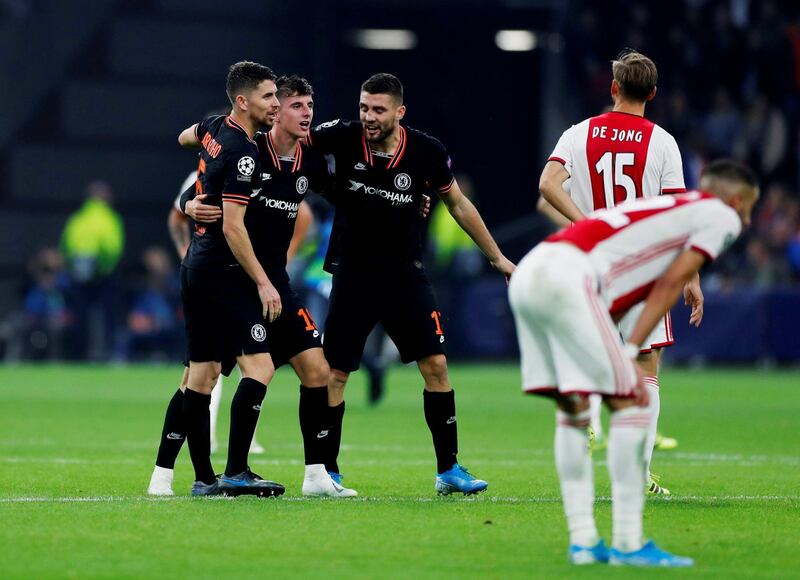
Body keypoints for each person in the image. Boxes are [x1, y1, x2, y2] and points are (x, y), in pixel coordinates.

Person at [509, 160, 758, 566]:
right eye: (747, 207)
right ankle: (628, 541)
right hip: (571, 279)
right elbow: (670, 282)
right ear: (734, 199)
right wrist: (633, 346)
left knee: (573, 411)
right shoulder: (719, 216)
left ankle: (585, 542)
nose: (746, 219)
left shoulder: (667, 211)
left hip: (533, 271)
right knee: (632, 402)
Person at [307, 73, 515, 494]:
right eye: (364, 107)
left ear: (399, 112)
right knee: (336, 373)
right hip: (353, 274)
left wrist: (497, 257)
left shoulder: (426, 151)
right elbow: (291, 151)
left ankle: (449, 470)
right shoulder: (340, 137)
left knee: (436, 366)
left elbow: (457, 203)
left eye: (378, 110)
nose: (368, 117)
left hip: (405, 275)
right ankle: (326, 472)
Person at [150, 74, 357, 498]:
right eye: (296, 106)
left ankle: (317, 476)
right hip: (236, 280)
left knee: (316, 368)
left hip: (271, 282)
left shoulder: (309, 159)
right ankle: (202, 472)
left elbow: (339, 197)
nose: (307, 116)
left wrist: (409, 199)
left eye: (309, 107)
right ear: (274, 110)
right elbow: (195, 193)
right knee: (203, 376)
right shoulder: (247, 150)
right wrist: (191, 205)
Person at [537, 50, 696, 494]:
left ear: (613, 88)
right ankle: (638, 477)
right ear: (653, 93)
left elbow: (547, 184)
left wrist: (583, 222)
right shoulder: (662, 141)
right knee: (646, 366)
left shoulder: (578, 133)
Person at [172, 61, 284, 497]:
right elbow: (234, 227)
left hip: (196, 266)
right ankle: (235, 470)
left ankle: (205, 479)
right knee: (260, 365)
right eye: (268, 96)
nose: (274, 104)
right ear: (244, 101)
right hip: (221, 272)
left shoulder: (214, 125)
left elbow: (186, 138)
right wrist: (263, 281)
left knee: (201, 377)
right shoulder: (243, 152)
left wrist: (190, 200)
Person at [60, 181, 124, 360]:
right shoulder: (110, 218)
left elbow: (65, 246)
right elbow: (113, 248)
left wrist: (73, 266)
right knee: (108, 316)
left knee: (80, 316)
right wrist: (104, 266)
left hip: (78, 274)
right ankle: (108, 352)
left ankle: (78, 354)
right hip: (103, 274)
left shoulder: (77, 219)